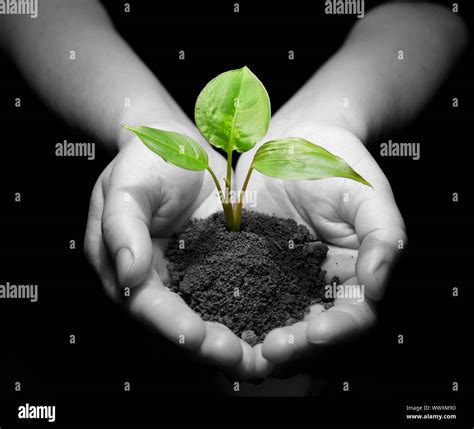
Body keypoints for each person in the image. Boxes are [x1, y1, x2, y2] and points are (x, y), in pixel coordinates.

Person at [0, 0, 467, 382]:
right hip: (93, 106)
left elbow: (432, 10)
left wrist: (331, 119)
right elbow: (28, 5)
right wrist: (144, 126)